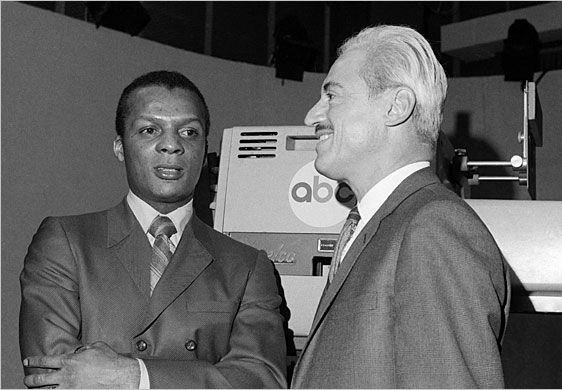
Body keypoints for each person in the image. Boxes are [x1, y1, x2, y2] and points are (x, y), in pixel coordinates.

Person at [19, 71, 287, 389]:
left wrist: (137, 377)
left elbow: (262, 380)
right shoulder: (66, 241)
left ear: (204, 154)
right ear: (120, 147)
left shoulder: (247, 266)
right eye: (150, 130)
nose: (172, 145)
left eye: (189, 132)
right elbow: (53, 377)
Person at [291, 25, 511, 388]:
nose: (312, 116)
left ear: (396, 106)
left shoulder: (433, 228)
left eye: (332, 95)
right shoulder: (384, 226)